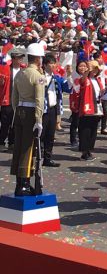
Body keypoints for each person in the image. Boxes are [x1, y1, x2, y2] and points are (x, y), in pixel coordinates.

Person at [9, 43, 46, 197]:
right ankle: (24, 183)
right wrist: (39, 120)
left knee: (18, 146)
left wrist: (16, 112)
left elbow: (14, 98)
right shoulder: (38, 76)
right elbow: (39, 100)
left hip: (19, 111)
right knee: (28, 148)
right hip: (31, 112)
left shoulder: (20, 74)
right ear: (38, 59)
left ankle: (19, 180)